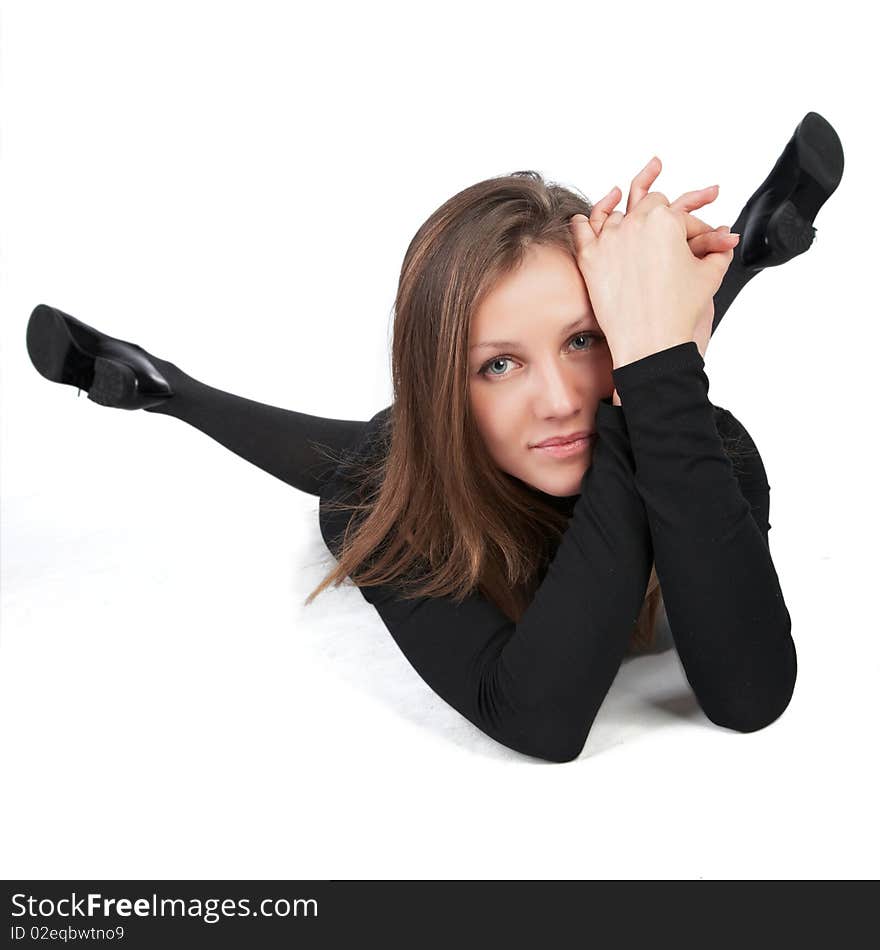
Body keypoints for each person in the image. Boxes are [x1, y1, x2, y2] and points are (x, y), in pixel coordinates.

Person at [26, 113, 844, 763]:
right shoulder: (392, 515)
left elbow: (750, 696)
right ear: (443, 387)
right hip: (429, 472)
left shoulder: (709, 445)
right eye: (498, 365)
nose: (558, 400)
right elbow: (540, 719)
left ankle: (726, 263)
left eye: (586, 338)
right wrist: (656, 361)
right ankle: (162, 387)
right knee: (349, 459)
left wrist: (655, 366)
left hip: (631, 409)